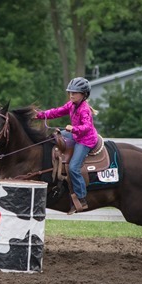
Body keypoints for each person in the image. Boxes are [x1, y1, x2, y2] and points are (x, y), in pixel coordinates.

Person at [35, 77, 98, 214]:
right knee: (54, 137)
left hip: (85, 140)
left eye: (75, 92)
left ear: (84, 94)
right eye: (70, 92)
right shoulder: (71, 105)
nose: (71, 95)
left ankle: (81, 198)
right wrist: (40, 115)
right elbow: (56, 111)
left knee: (74, 167)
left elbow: (87, 127)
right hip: (75, 135)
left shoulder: (84, 109)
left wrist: (74, 129)